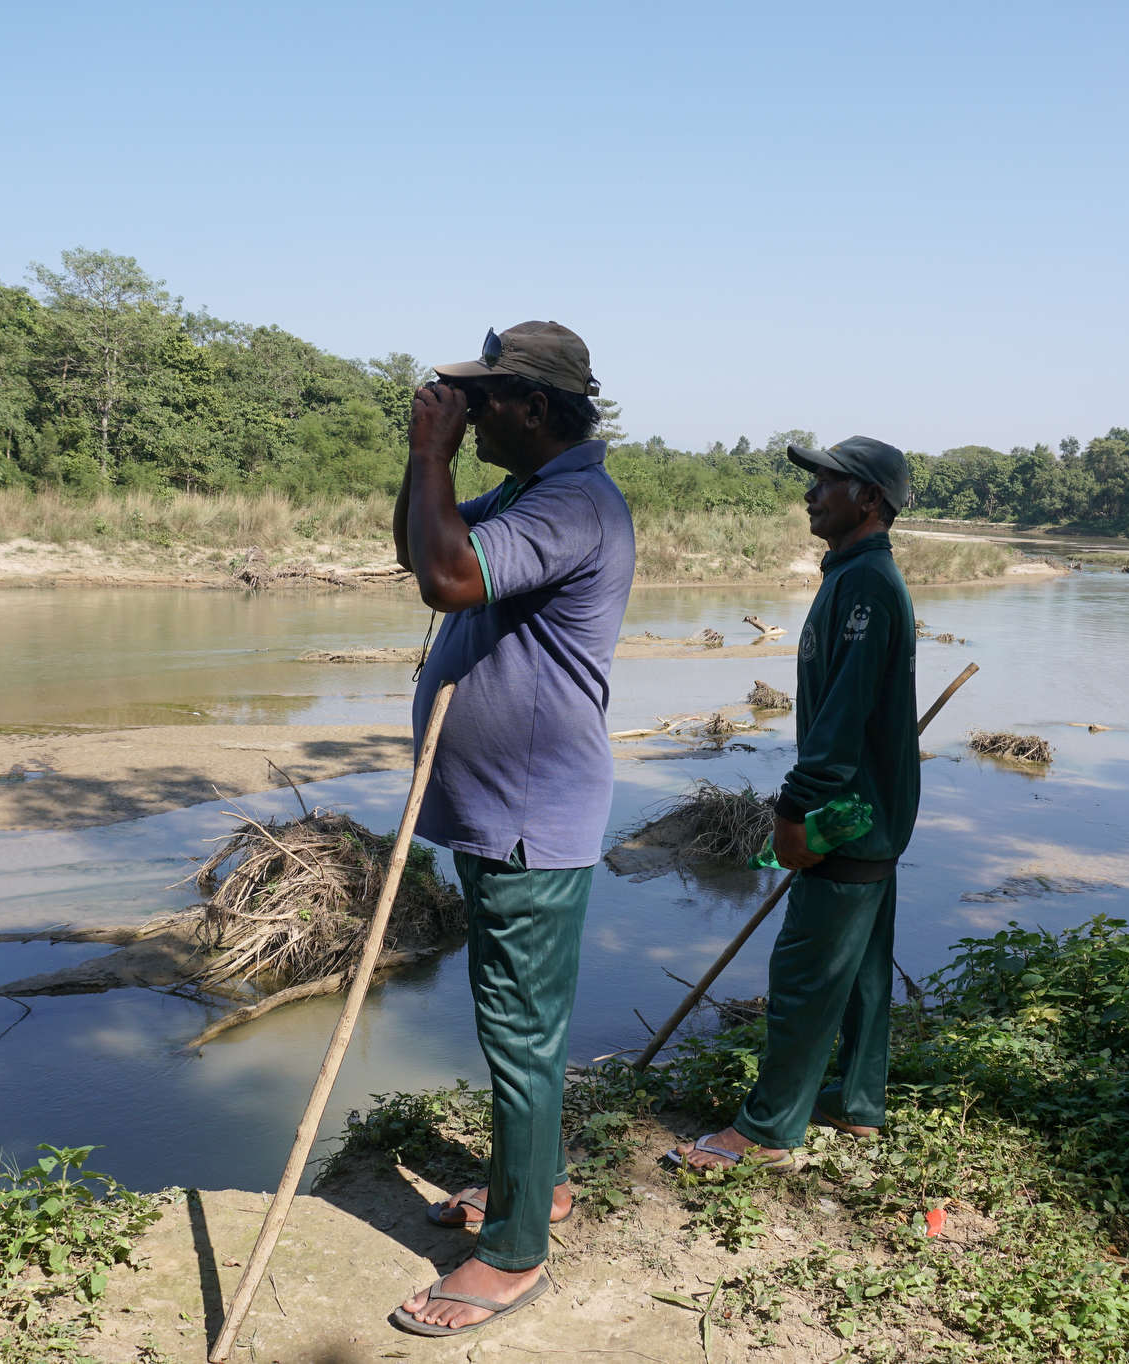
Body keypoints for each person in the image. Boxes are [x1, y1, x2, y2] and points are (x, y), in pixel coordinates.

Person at [388, 322, 635, 1336]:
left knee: (518, 1033)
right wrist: (427, 468)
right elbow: (421, 546)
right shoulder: (535, 492)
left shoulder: (574, 501)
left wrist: (428, 457)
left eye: (485, 398)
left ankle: (513, 1250)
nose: (472, 411)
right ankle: (543, 1184)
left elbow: (449, 579)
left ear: (534, 406)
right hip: (503, 811)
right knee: (516, 1026)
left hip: (528, 819)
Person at [668, 436, 919, 1172]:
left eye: (827, 482)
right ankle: (857, 1103)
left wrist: (792, 811)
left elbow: (841, 718)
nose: (810, 494)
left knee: (805, 975)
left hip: (845, 819)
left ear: (868, 500)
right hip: (873, 816)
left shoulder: (866, 585)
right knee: (865, 968)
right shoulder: (854, 577)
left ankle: (769, 1129)